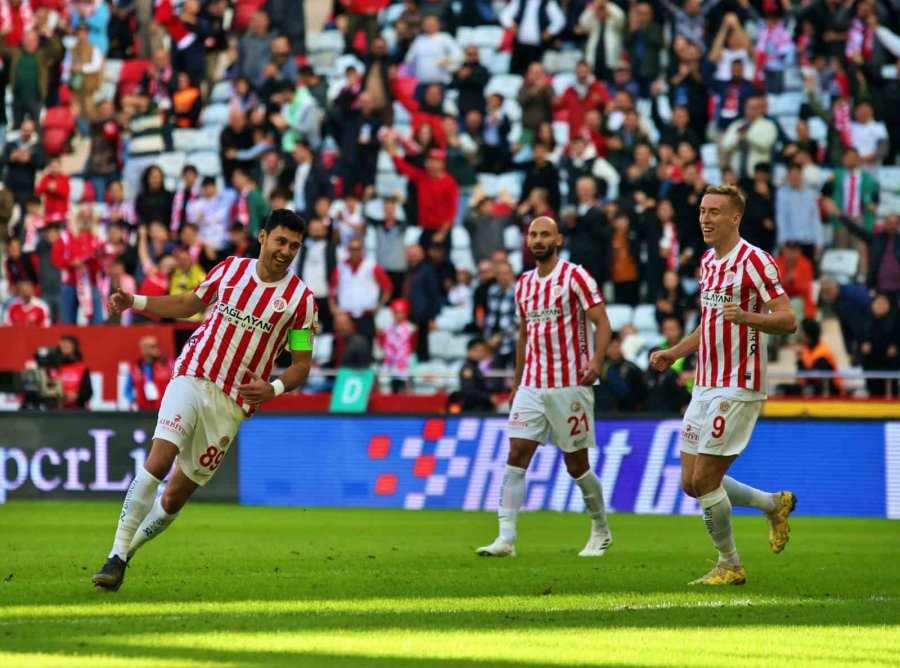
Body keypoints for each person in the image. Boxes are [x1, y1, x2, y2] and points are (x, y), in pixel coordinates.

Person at [92, 210, 318, 592]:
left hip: (231, 405)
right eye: (280, 241)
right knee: (160, 458)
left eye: (294, 246)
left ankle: (127, 553)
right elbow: (187, 304)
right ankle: (114, 556)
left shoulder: (301, 302)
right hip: (194, 374)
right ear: (262, 237)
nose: (286, 251)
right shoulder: (230, 269)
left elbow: (301, 365)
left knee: (177, 494)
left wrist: (274, 388)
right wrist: (136, 301)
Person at [649, 185, 798, 586]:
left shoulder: (755, 261)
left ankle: (729, 564)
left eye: (715, 212)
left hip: (739, 384)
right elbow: (710, 323)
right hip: (705, 383)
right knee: (689, 483)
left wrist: (749, 318)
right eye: (702, 211)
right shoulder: (707, 263)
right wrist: (674, 352)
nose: (705, 219)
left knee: (705, 481)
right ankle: (773, 504)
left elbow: (787, 319)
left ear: (735, 217)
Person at [477, 216, 614, 559]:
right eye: (533, 234)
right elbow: (525, 335)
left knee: (576, 465)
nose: (538, 240)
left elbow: (602, 322)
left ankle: (600, 529)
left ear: (558, 239)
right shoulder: (523, 283)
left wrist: (597, 360)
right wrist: (516, 382)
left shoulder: (575, 276)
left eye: (545, 235)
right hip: (532, 385)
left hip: (571, 385)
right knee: (516, 455)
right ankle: (505, 537)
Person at [125, 336, 175, 411]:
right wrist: (134, 400)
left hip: (163, 410)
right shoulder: (135, 368)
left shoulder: (168, 365)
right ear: (143, 349)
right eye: (152, 347)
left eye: (157, 346)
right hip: (143, 410)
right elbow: (127, 390)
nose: (156, 349)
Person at [456, 337, 498, 412]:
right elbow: (468, 390)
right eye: (477, 351)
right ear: (469, 352)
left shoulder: (476, 367)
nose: (481, 353)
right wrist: (488, 397)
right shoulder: (468, 369)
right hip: (473, 409)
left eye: (482, 351)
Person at [53, 335, 93, 410]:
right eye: (62, 347)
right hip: (56, 410)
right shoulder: (54, 368)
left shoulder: (82, 368)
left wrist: (77, 395)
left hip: (77, 411)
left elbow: (88, 391)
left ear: (74, 348)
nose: (64, 348)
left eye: (67, 346)